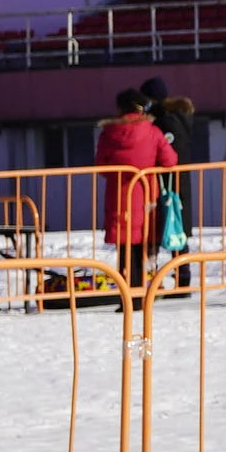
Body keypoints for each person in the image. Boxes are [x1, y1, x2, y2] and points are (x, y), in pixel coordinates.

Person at [95, 86, 178, 293]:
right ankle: (144, 291)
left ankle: (127, 293)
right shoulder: (152, 131)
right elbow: (170, 160)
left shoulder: (108, 133)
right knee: (144, 246)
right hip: (146, 196)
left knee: (124, 248)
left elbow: (101, 167)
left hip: (119, 197)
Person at [152, 94, 199, 296]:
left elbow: (166, 155)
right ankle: (183, 278)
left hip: (167, 184)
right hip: (180, 184)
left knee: (162, 230)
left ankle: (156, 280)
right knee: (178, 231)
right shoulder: (181, 119)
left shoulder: (165, 122)